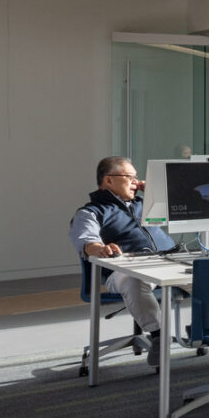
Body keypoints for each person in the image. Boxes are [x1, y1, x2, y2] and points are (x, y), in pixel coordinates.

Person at [70, 156, 163, 367]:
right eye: (130, 177)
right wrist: (100, 248)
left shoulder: (145, 204)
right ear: (108, 180)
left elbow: (185, 210)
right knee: (133, 279)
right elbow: (85, 241)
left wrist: (155, 192)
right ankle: (158, 336)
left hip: (167, 263)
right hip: (125, 271)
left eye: (136, 177)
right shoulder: (91, 212)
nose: (135, 182)